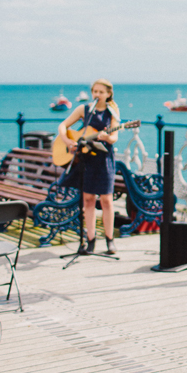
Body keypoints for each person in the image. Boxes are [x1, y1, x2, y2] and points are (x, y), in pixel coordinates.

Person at [57, 79, 120, 255]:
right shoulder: (84, 110)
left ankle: (110, 240)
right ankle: (90, 239)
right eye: (95, 91)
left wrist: (106, 137)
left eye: (101, 92)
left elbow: (114, 137)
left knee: (106, 200)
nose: (97, 95)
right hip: (86, 159)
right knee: (88, 200)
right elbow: (63, 125)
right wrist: (67, 140)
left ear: (108, 94)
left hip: (104, 159)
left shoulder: (112, 112)